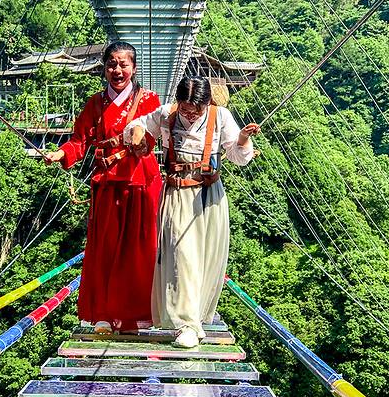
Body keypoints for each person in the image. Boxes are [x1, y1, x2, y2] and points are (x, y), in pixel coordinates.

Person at [125, 76, 259, 348]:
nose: (189, 115)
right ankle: (185, 324)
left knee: (203, 259)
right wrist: (137, 132)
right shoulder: (167, 114)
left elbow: (238, 158)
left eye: (196, 110)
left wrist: (243, 138)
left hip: (208, 195)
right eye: (185, 109)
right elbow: (135, 126)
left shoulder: (220, 117)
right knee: (180, 255)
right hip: (176, 194)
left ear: (207, 103)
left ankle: (194, 320)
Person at [45, 42, 161, 333]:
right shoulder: (95, 103)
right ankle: (105, 316)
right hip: (108, 182)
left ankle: (135, 316)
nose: (117, 70)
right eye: (111, 64)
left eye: (123, 64)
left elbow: (154, 136)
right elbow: (79, 140)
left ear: (134, 68)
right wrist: (61, 154)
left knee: (139, 250)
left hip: (140, 182)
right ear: (104, 68)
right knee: (105, 247)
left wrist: (141, 140)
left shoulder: (149, 100)